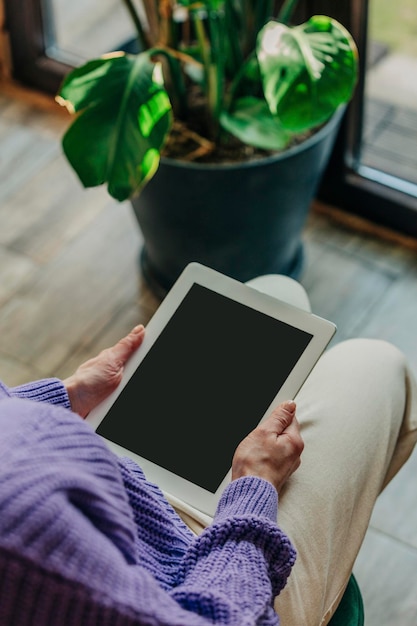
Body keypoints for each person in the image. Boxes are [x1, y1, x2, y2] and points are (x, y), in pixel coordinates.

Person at [1, 321, 417, 626]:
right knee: (376, 361)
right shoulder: (21, 554)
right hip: (209, 577)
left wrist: (66, 396)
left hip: (104, 487)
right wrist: (254, 488)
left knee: (274, 293)